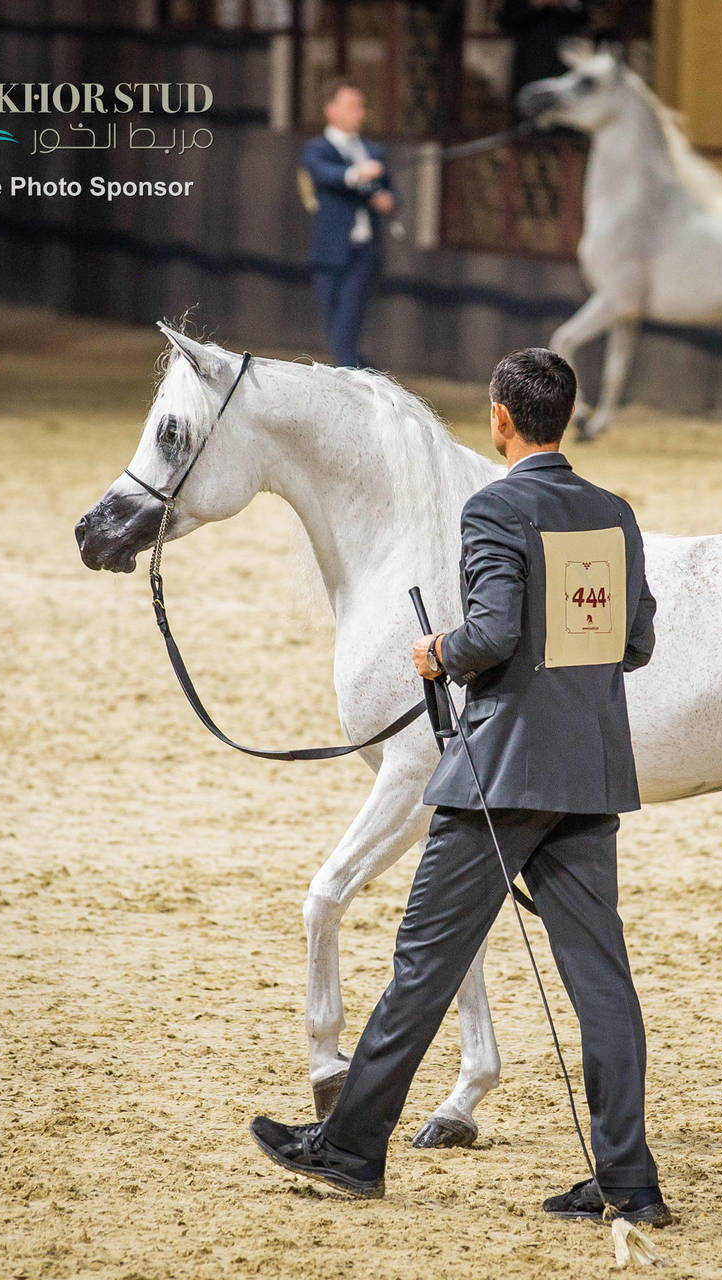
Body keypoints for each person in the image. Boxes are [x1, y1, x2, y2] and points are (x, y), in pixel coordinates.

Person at [249, 348, 670, 1226]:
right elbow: (635, 643)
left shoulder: (495, 507)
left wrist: (439, 651)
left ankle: (352, 1147)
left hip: (502, 770)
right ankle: (629, 1181)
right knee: (601, 981)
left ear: (502, 420)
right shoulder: (614, 514)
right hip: (590, 772)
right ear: (565, 417)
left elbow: (493, 631)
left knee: (422, 964)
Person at [300, 78, 397, 369]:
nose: (360, 113)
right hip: (330, 251)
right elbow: (324, 174)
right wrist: (357, 174)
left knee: (346, 325)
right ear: (331, 110)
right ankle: (370, 377)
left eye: (361, 106)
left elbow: (390, 192)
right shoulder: (318, 148)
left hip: (362, 252)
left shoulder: (373, 151)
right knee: (336, 329)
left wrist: (387, 199)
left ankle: (359, 381)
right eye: (352, 106)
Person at [499, 0, 589, 121]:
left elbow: (584, 18)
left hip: (563, 62)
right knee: (527, 115)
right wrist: (536, 4)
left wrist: (564, 3)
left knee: (562, 116)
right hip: (529, 63)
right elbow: (505, 21)